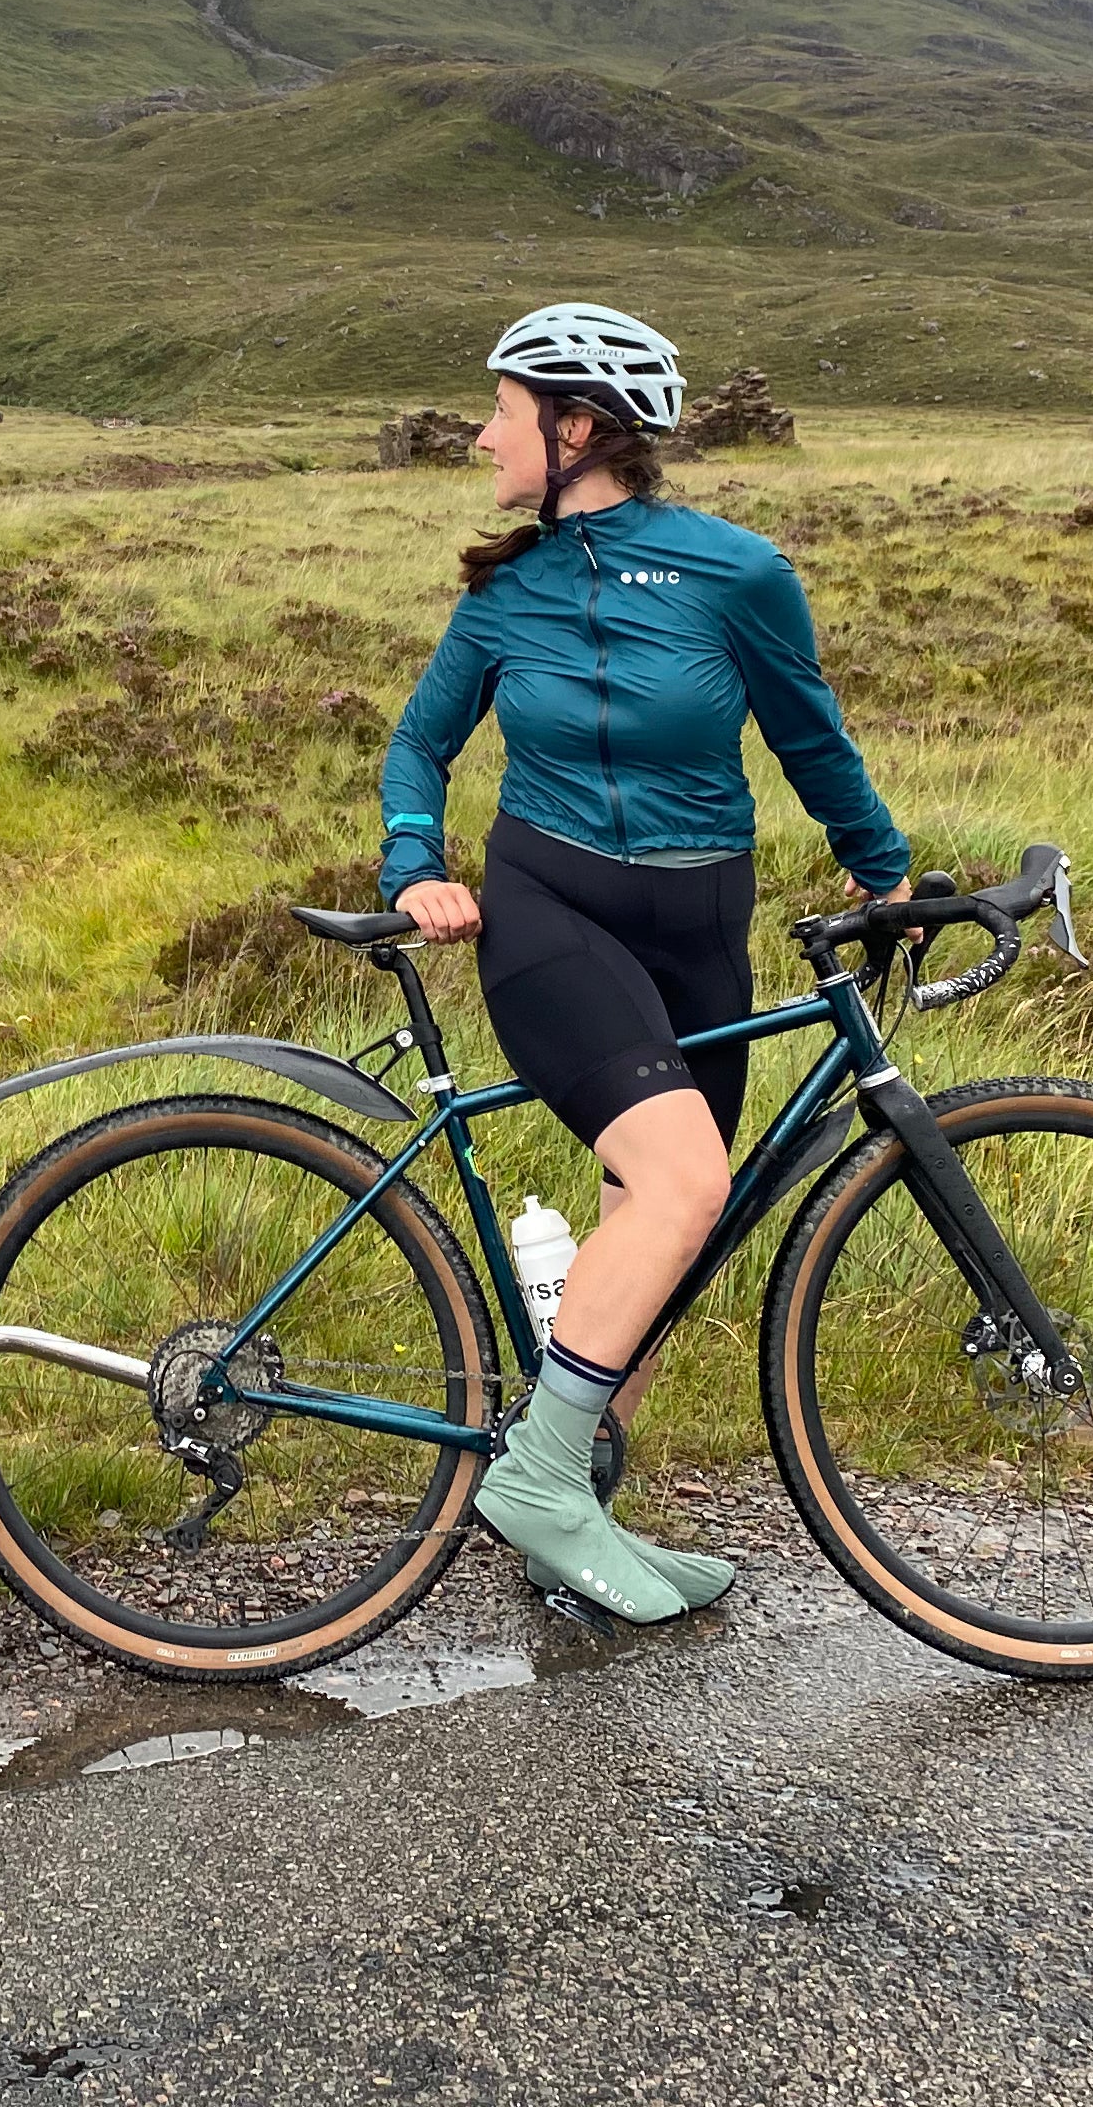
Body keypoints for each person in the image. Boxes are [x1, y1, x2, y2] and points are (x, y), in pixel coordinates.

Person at [378, 302, 910, 1624]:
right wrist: (414, 866)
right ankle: (540, 1484)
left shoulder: (735, 573)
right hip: (551, 911)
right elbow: (418, 749)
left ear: (575, 429)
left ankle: (575, 1509)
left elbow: (812, 739)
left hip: (699, 928)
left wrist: (884, 868)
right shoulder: (505, 593)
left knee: (664, 1226)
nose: (482, 434)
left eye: (503, 410)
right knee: (683, 1180)